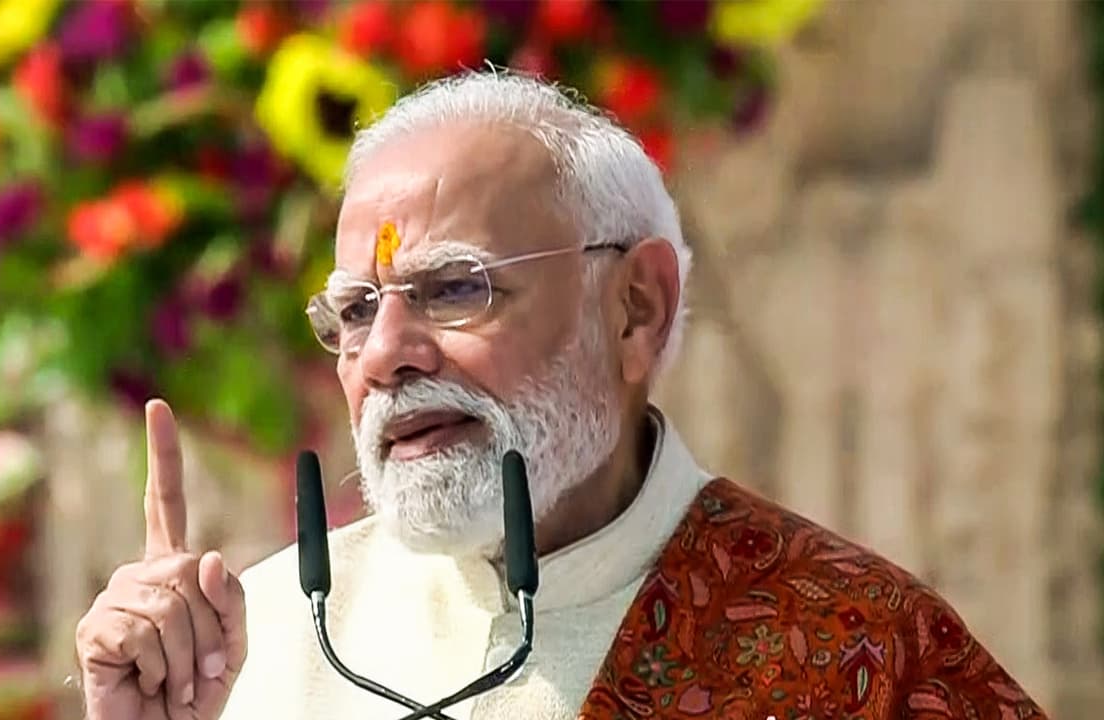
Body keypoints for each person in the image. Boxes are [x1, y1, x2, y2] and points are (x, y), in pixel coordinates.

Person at [74, 71, 1048, 720]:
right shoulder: (258, 645)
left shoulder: (853, 654)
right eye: (356, 310)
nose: (388, 355)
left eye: (455, 288)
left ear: (633, 309)